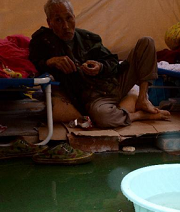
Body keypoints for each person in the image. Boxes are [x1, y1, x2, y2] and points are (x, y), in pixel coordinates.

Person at [29, 0, 170, 128]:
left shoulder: (88, 38)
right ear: (49, 23)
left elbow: (112, 61)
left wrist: (100, 67)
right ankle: (139, 115)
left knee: (147, 42)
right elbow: (34, 64)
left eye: (69, 18)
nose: (65, 26)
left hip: (116, 82)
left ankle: (142, 98)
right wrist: (51, 61)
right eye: (58, 20)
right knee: (104, 118)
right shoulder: (43, 42)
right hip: (95, 97)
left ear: (74, 16)